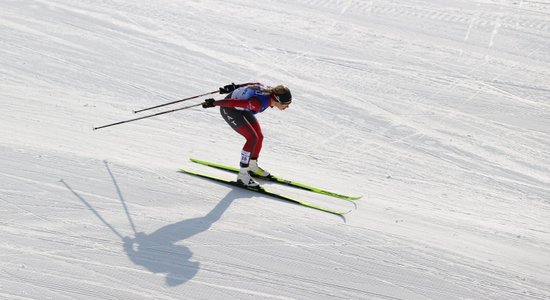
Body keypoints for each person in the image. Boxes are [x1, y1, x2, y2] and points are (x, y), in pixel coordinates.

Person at [201, 82, 292, 187]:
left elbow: (254, 84)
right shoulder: (258, 103)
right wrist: (214, 103)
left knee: (259, 137)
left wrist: (235, 87)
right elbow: (232, 103)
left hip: (242, 106)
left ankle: (252, 166)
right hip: (230, 108)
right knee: (252, 138)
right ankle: (243, 175)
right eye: (286, 103)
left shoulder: (271, 91)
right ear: (277, 100)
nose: (287, 106)